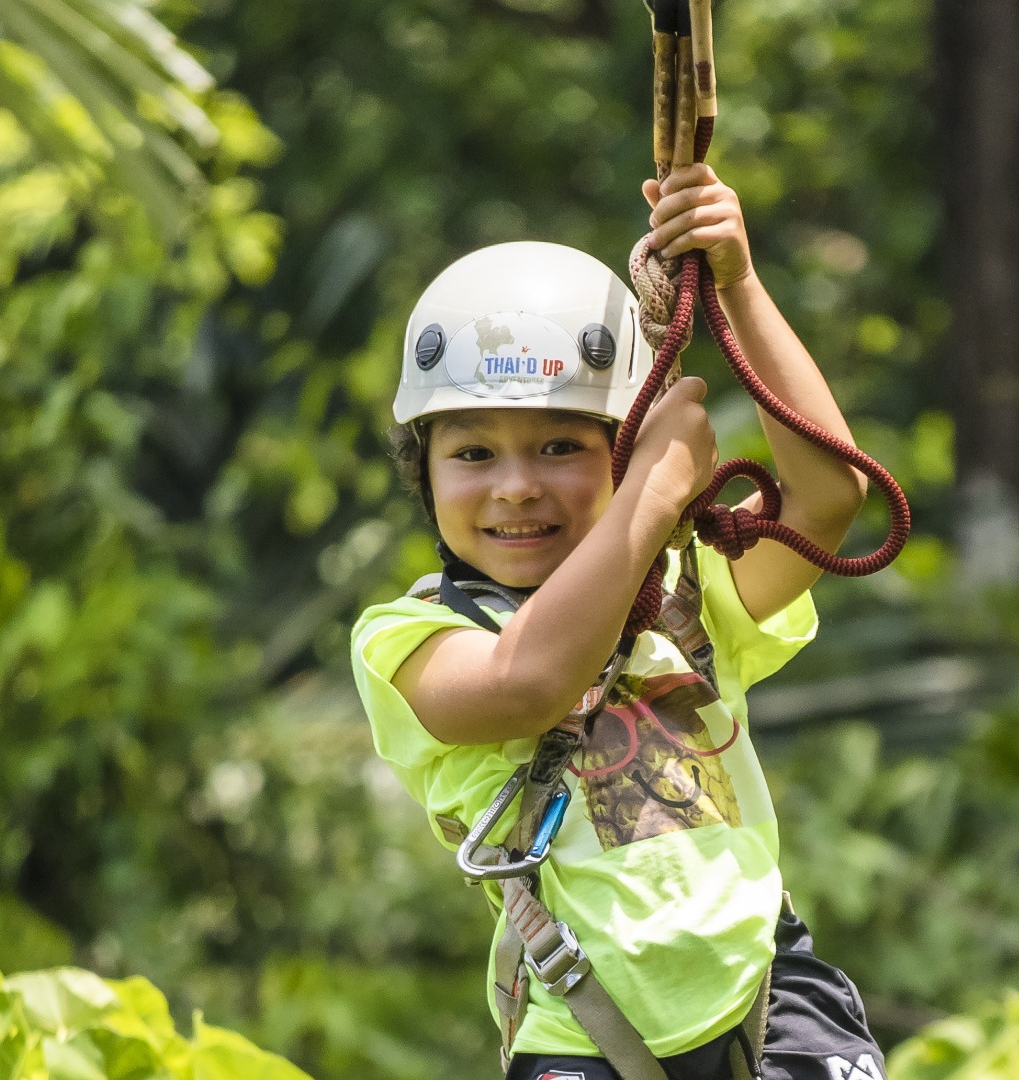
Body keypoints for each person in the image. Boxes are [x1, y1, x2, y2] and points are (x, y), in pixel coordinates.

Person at [349, 163, 888, 1080]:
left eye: (561, 446)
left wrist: (739, 289)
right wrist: (653, 486)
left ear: (619, 450)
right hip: (584, 1041)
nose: (516, 486)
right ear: (423, 472)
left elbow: (829, 496)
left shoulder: (683, 595)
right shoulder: (412, 638)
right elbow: (527, 684)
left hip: (770, 1002)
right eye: (473, 453)